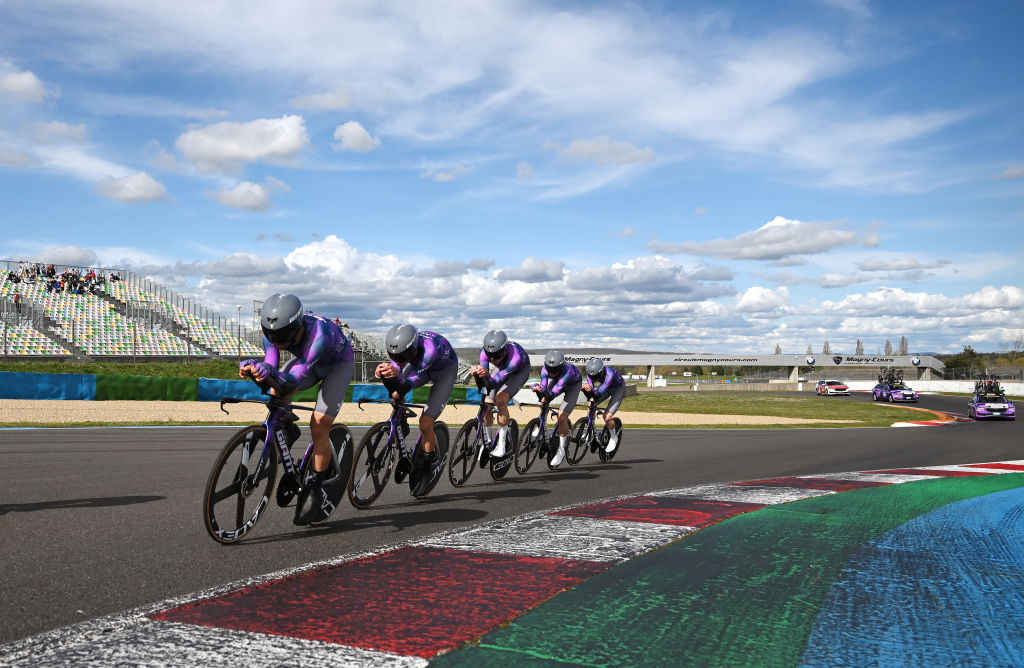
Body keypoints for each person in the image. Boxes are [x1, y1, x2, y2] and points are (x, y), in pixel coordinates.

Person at [239, 293, 354, 526]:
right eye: (272, 337)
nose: (277, 341)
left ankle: (315, 485)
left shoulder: (318, 335)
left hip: (336, 366)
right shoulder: (274, 330)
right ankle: (286, 427)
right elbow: (271, 366)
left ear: (299, 325)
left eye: (283, 337)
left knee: (319, 424)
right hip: (307, 362)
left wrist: (269, 373)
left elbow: (292, 379)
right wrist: (257, 368)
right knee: (274, 392)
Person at [375, 324, 459, 495]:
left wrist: (396, 375)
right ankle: (401, 420)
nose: (397, 359)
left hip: (444, 373)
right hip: (421, 368)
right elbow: (397, 373)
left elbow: (407, 383)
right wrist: (384, 371)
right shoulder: (402, 349)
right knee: (396, 394)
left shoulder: (430, 350)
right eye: (393, 356)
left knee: (425, 423)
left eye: (401, 356)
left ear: (412, 348)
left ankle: (430, 459)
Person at [469, 330, 531, 459]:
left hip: (518, 371)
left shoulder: (516, 357)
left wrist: (484, 375)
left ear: (504, 350)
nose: (492, 359)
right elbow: (485, 377)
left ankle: (502, 445)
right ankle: (487, 442)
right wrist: (478, 372)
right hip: (502, 368)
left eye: (496, 356)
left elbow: (493, 382)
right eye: (489, 356)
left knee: (501, 399)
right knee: (487, 405)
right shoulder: (484, 353)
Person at [531, 350, 583, 467]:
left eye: (555, 370)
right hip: (558, 382)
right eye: (550, 369)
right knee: (543, 401)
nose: (552, 372)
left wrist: (544, 393)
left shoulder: (567, 371)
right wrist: (537, 388)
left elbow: (554, 392)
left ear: (561, 366)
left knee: (561, 417)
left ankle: (561, 449)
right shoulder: (544, 369)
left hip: (573, 386)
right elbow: (544, 386)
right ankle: (541, 425)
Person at [582, 358, 626, 453]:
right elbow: (592, 391)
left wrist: (591, 392)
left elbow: (600, 391)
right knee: (591, 403)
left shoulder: (610, 374)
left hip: (618, 389)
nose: (594, 379)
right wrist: (587, 389)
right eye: (592, 376)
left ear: (601, 371)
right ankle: (589, 430)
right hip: (606, 388)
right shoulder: (590, 373)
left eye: (597, 376)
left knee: (607, 417)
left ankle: (614, 438)